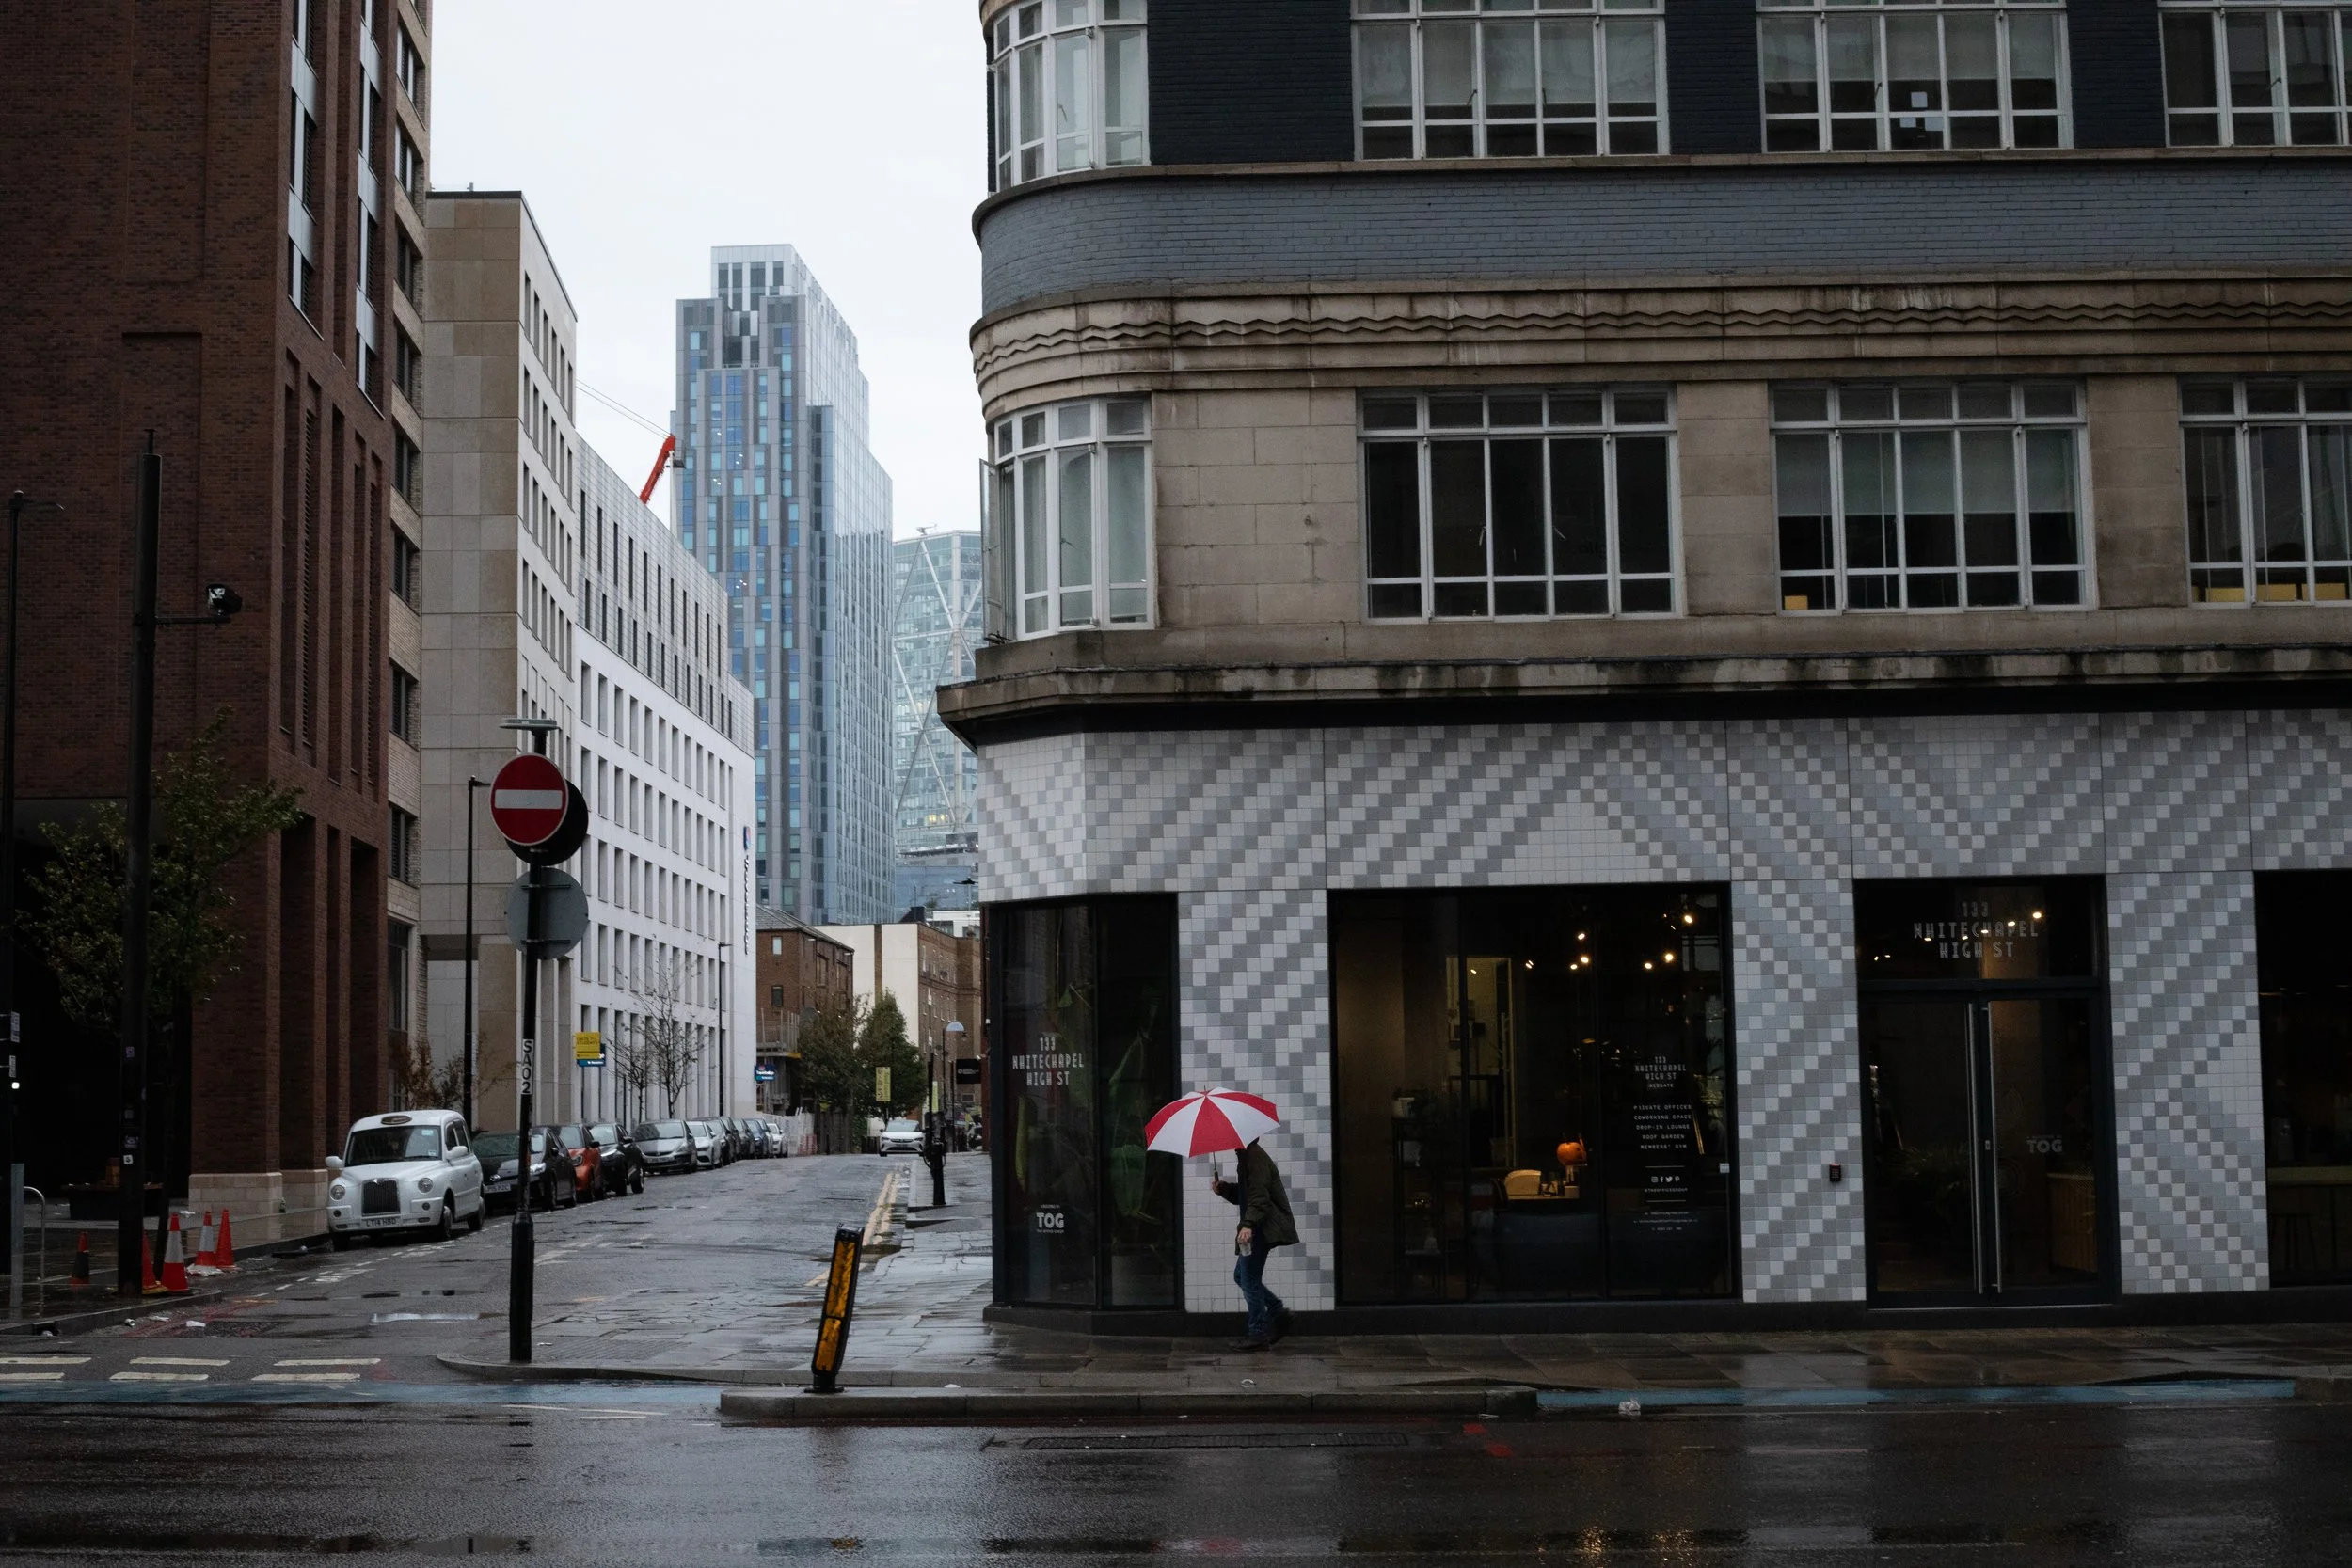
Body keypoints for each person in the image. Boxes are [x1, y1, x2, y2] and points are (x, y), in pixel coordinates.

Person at [1211, 1137, 1298, 1350]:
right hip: (1257, 1227)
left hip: (1260, 1228)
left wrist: (1248, 1225)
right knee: (1242, 1276)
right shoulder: (1246, 1157)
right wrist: (1225, 1189)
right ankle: (1277, 1312)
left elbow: (1260, 1198)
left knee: (1248, 1278)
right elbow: (1248, 1195)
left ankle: (1258, 1333)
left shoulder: (1254, 1158)